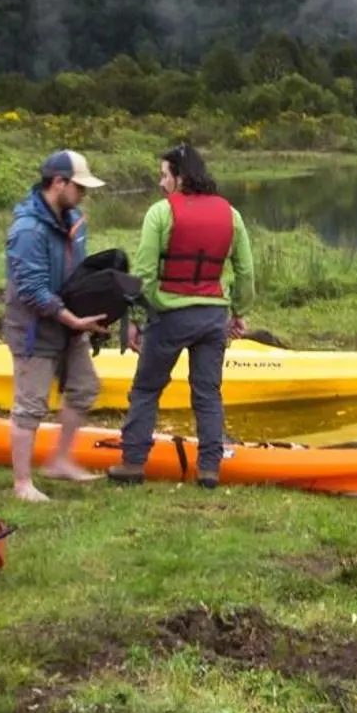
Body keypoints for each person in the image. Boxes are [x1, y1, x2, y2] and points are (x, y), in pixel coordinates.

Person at [110, 143, 255, 489]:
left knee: (146, 389)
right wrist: (239, 312)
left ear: (181, 177)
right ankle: (208, 469)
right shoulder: (231, 214)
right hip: (213, 318)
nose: (161, 183)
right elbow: (246, 270)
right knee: (207, 393)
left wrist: (131, 320)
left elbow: (143, 273)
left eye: (165, 175)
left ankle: (132, 463)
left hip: (170, 317)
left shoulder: (160, 214)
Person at [2, 149, 110, 502]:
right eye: (79, 186)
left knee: (83, 388)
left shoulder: (75, 220)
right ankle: (22, 483)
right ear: (58, 182)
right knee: (30, 405)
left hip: (69, 326)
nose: (84, 194)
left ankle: (60, 460)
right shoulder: (28, 230)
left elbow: (77, 276)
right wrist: (71, 317)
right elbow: (32, 290)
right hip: (35, 328)